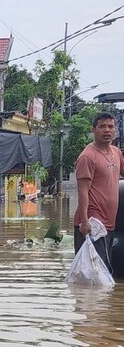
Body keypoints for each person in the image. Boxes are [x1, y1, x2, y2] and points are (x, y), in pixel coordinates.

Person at [73, 112, 124, 273]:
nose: (107, 130)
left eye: (110, 126)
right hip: (93, 223)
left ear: (115, 130)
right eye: (102, 126)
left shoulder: (116, 152)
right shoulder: (87, 157)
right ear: (93, 130)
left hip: (110, 222)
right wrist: (85, 221)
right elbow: (82, 192)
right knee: (95, 272)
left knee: (103, 270)